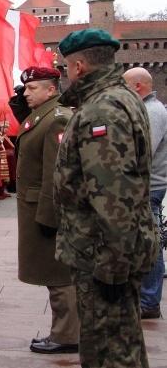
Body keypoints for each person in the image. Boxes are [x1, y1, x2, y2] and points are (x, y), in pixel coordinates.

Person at [54, 29, 158, 367]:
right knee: (123, 340)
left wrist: (112, 267)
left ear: (79, 66)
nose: (66, 73)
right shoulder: (122, 96)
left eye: (66, 67)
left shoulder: (101, 110)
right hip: (112, 250)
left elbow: (113, 196)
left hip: (103, 253)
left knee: (109, 349)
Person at [13, 66, 78, 354]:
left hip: (45, 210)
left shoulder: (57, 120)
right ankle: (62, 331)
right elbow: (28, 128)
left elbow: (56, 173)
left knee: (58, 274)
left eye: (32, 89)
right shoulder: (46, 115)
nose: (26, 93)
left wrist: (49, 216)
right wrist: (19, 103)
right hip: (35, 207)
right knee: (52, 273)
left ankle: (67, 335)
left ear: (51, 90)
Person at [123, 67, 167, 320]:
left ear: (137, 87)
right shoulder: (150, 109)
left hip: (149, 187)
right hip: (148, 185)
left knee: (150, 244)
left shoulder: (151, 112)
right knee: (147, 242)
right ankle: (146, 298)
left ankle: (149, 302)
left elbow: (143, 152)